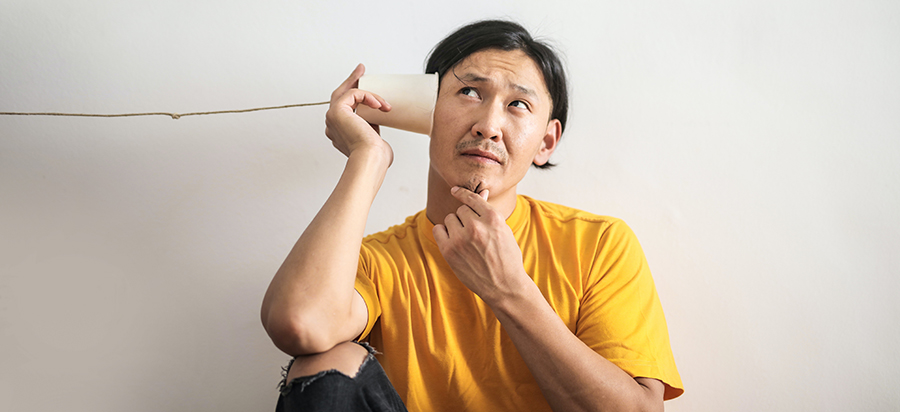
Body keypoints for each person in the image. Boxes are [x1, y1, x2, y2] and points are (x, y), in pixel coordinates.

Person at [261, 19, 684, 412]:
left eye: (518, 104)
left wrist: (509, 290)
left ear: (546, 142)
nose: (488, 125)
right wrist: (367, 158)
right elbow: (300, 323)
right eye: (469, 93)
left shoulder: (598, 244)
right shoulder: (375, 261)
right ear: (426, 111)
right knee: (324, 360)